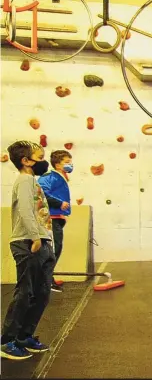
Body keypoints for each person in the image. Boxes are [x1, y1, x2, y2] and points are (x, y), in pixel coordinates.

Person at [1, 141, 55, 361]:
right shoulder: (24, 181)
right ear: (25, 161)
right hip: (27, 241)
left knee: (42, 293)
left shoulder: (32, 181)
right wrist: (34, 236)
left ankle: (24, 336)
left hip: (40, 240)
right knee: (26, 292)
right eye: (39, 157)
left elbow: (38, 209)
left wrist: (45, 238)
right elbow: (24, 209)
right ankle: (6, 341)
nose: (43, 161)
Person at [37, 150, 73, 293]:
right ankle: (46, 282)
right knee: (53, 250)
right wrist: (59, 204)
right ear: (57, 165)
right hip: (51, 218)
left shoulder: (60, 176)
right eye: (67, 162)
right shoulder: (50, 177)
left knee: (55, 249)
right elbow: (41, 192)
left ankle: (48, 279)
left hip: (57, 217)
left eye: (70, 161)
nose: (70, 164)